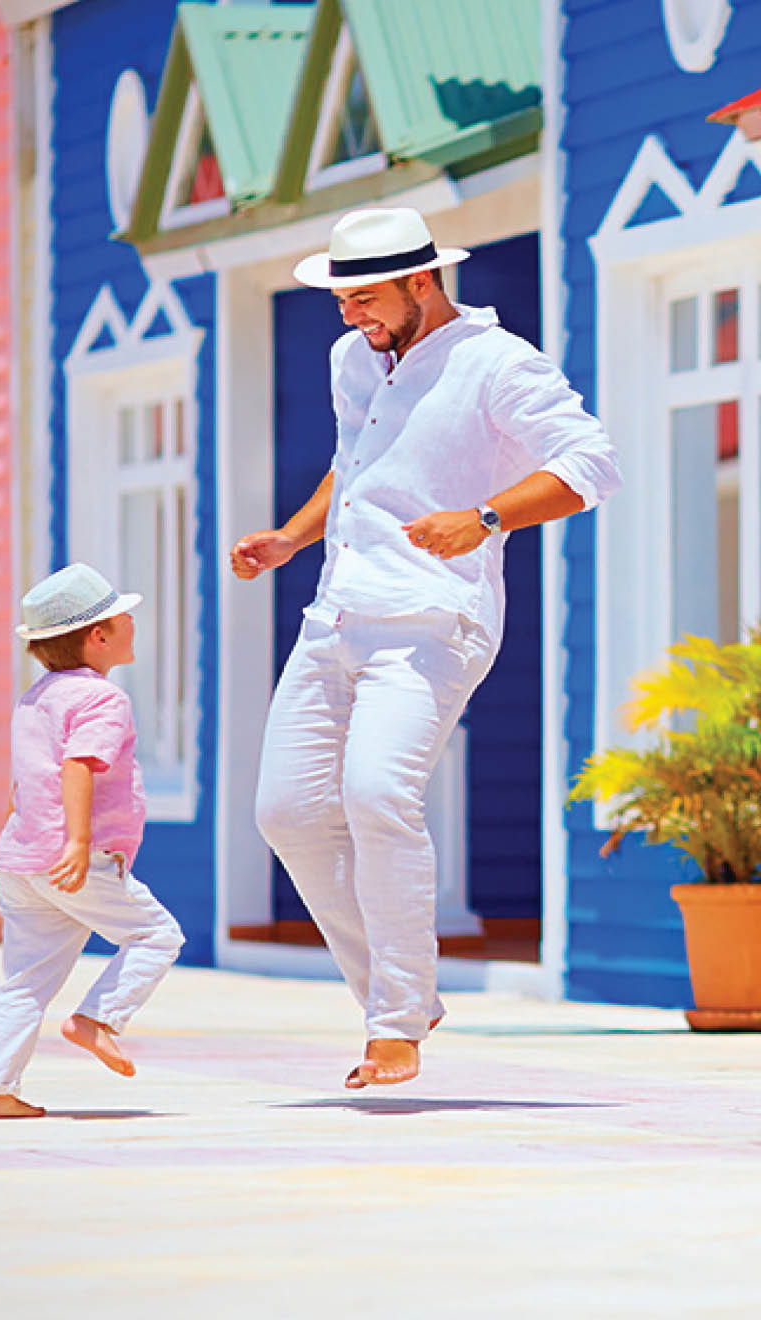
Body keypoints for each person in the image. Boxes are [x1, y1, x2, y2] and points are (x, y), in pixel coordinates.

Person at [231, 207, 622, 1090]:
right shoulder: (352, 360)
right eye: (340, 299)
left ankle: (395, 1023)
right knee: (286, 812)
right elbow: (357, 459)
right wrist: (294, 537)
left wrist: (485, 517)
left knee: (375, 794)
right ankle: (400, 993)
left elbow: (590, 463)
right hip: (336, 612)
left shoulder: (498, 364)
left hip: (436, 620)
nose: (347, 316)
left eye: (363, 298)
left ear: (422, 282)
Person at [0, 562, 184, 1119]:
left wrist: (4, 853)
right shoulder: (102, 700)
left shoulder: (34, 699)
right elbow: (77, 766)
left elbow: (27, 781)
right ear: (98, 636)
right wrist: (79, 843)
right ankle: (97, 1018)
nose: (131, 623)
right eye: (123, 617)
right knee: (157, 935)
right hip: (73, 862)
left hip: (25, 862)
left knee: (24, 981)